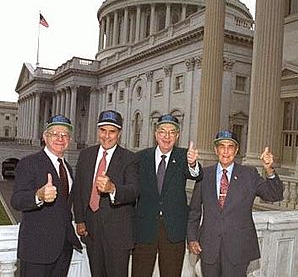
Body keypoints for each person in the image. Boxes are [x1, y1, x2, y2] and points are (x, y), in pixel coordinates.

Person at [187, 130, 284, 277]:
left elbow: (274, 194)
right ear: (215, 150)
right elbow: (194, 210)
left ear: (236, 150)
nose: (226, 151)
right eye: (221, 146)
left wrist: (269, 169)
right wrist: (192, 237)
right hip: (208, 247)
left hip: (238, 249)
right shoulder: (204, 175)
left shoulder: (249, 174)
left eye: (230, 147)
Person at [11, 114, 82, 277]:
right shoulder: (29, 163)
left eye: (64, 135)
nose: (60, 138)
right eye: (55, 134)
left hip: (63, 249)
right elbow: (16, 200)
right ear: (45, 137)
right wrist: (39, 195)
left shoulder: (68, 169)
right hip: (37, 250)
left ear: (69, 140)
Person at [132, 114, 203, 277]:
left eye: (172, 132)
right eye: (163, 132)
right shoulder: (140, 157)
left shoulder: (184, 156)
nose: (167, 136)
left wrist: (192, 163)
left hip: (173, 230)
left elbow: (196, 175)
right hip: (144, 228)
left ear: (177, 136)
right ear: (156, 134)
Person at [73, 110, 139, 277]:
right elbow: (79, 190)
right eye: (103, 130)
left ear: (119, 134)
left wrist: (113, 189)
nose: (107, 136)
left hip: (118, 232)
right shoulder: (86, 155)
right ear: (98, 131)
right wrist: (80, 220)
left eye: (112, 131)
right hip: (92, 230)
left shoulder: (129, 158)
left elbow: (134, 191)